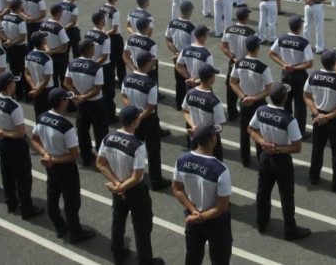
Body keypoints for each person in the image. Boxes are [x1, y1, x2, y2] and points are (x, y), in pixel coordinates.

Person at [97, 105, 165, 265]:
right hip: (134, 190)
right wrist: (122, 187)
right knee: (142, 226)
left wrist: (117, 184)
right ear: (135, 121)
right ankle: (145, 260)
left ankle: (118, 252)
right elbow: (136, 176)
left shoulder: (108, 138)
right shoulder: (137, 146)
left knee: (118, 220)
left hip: (117, 185)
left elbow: (100, 163)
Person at [31, 88, 96, 243]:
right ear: (61, 102)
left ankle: (59, 226)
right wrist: (54, 159)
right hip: (64, 167)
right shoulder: (66, 126)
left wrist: (45, 154)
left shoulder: (42, 117)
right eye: (66, 99)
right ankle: (75, 231)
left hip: (50, 164)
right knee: (72, 201)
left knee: (52, 196)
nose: (68, 102)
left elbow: (34, 139)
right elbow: (73, 155)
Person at [247, 83, 311, 241]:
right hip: (281, 160)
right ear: (285, 98)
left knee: (263, 191)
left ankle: (261, 222)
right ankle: (290, 229)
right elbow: (297, 147)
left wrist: (263, 143)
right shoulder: (289, 120)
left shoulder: (261, 111)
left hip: (265, 156)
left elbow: (250, 129)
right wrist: (277, 149)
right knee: (286, 195)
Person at [172, 124, 233, 265]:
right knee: (220, 259)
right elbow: (222, 207)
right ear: (212, 139)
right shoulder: (221, 169)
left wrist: (194, 212)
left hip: (192, 217)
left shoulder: (182, 160)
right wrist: (202, 216)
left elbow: (176, 188)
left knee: (193, 257)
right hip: (215, 221)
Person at [0, 72, 44, 219]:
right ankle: (27, 208)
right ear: (10, 85)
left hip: (2, 143)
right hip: (15, 144)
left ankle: (11, 202)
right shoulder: (14, 106)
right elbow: (20, 133)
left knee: (7, 174)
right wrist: (4, 133)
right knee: (23, 177)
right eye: (13, 82)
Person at [121, 51, 172, 191]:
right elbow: (151, 107)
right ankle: (156, 180)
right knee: (153, 150)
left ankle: (132, 175)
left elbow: (123, 96)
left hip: (133, 119)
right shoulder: (150, 83)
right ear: (148, 63)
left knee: (133, 148)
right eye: (152, 61)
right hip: (147, 120)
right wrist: (139, 117)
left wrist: (132, 112)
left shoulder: (128, 78)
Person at [304, 49, 336, 191]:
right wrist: (327, 117)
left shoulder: (313, 76)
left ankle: (314, 176)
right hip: (335, 119)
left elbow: (306, 95)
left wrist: (317, 114)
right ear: (334, 64)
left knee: (317, 149)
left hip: (318, 117)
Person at [228, 35, 273, 167]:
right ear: (258, 48)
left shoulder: (238, 63)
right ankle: (260, 158)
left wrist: (243, 97)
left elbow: (232, 82)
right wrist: (254, 98)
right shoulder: (263, 67)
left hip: (244, 101)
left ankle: (245, 160)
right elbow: (269, 89)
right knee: (258, 132)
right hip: (258, 103)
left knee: (244, 131)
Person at [64, 39, 107, 167]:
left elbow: (66, 82)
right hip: (96, 103)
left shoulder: (72, 64)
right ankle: (101, 159)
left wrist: (77, 95)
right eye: (93, 47)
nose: (94, 49)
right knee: (100, 132)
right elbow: (97, 89)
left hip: (82, 104)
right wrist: (83, 96)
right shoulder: (96, 67)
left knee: (82, 131)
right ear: (89, 50)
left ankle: (86, 156)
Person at [269, 15, 313, 137]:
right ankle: (299, 131)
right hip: (299, 76)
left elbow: (272, 53)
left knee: (286, 102)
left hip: (285, 74)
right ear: (299, 27)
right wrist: (294, 67)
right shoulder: (303, 42)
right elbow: (310, 63)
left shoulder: (282, 38)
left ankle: (286, 127)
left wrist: (284, 64)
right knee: (300, 104)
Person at [182, 64, 226, 158]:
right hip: (210, 140)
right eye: (214, 75)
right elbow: (219, 126)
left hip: (195, 137)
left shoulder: (190, 93)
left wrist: (194, 127)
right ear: (211, 78)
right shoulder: (214, 101)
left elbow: (185, 111)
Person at [221, 7, 255, 122]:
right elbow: (252, 50)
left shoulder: (228, 29)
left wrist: (232, 57)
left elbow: (224, 46)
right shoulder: (251, 32)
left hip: (233, 62)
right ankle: (246, 111)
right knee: (246, 88)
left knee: (231, 87)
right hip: (245, 64)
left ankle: (232, 113)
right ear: (246, 17)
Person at [165, 1, 196, 111]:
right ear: (189, 11)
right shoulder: (192, 27)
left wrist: (176, 52)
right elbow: (193, 46)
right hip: (187, 60)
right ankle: (189, 106)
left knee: (179, 82)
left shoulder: (172, 23)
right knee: (190, 82)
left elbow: (168, 40)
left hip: (177, 57)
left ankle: (179, 104)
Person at [175, 24, 215, 91]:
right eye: (207, 34)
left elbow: (178, 66)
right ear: (204, 37)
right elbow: (209, 74)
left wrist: (189, 78)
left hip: (190, 85)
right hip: (203, 86)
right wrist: (195, 81)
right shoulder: (207, 54)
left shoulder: (185, 49)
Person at [25, 31, 54, 117]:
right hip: (45, 90)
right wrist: (38, 90)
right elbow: (47, 79)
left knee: (38, 114)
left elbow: (27, 73)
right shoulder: (47, 59)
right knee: (47, 115)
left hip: (35, 88)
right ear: (43, 41)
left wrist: (34, 87)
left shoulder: (28, 56)